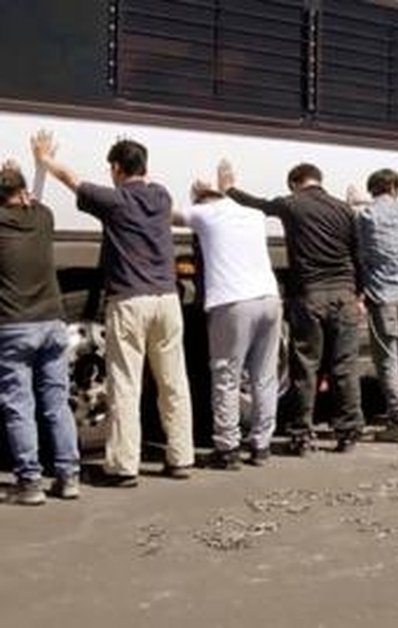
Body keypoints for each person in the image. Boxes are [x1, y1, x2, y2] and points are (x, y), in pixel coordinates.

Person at [33, 131, 194, 486]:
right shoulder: (162, 196)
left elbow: (73, 180)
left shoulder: (115, 201)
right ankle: (181, 457)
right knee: (173, 382)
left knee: (125, 384)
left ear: (118, 169)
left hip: (130, 300)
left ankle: (123, 466)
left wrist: (45, 160)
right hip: (167, 300)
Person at [219, 160, 364, 455]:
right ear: (319, 180)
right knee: (344, 367)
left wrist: (229, 189)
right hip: (345, 294)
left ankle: (302, 435)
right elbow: (359, 255)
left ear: (294, 184)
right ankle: (348, 432)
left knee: (306, 367)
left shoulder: (292, 204)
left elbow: (258, 205)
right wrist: (359, 295)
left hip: (310, 295)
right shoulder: (344, 209)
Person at [175, 176, 281, 469]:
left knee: (226, 375)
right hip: (269, 298)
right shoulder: (253, 215)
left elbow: (165, 213)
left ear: (199, 198)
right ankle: (261, 444)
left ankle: (227, 447)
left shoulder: (204, 213)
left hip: (232, 302)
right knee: (264, 376)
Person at [0, 159, 80, 504]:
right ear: (23, 193)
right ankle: (68, 476)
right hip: (53, 323)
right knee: (56, 403)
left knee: (19, 405)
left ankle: (30, 482)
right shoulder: (44, 218)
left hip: (14, 326)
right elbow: (34, 202)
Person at [356, 168, 398, 444]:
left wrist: (355, 203)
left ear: (372, 189)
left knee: (387, 362)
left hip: (383, 298)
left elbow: (360, 251)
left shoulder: (366, 216)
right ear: (394, 188)